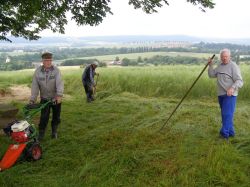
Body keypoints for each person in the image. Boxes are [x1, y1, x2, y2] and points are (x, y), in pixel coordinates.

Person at [208, 48, 243, 139]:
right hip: (221, 94)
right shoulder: (220, 66)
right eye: (223, 57)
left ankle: (224, 135)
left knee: (226, 114)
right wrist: (210, 65)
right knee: (226, 114)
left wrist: (232, 88)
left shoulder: (233, 66)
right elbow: (211, 75)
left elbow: (239, 81)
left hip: (230, 95)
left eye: (226, 56)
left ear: (230, 56)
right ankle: (231, 132)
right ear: (220, 57)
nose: (224, 58)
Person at [29, 51, 64, 140]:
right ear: (43, 61)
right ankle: (41, 133)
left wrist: (59, 96)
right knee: (44, 117)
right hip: (44, 98)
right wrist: (32, 99)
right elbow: (35, 86)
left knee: (56, 116)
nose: (48, 62)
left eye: (50, 60)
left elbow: (60, 83)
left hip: (55, 98)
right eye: (46, 60)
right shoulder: (38, 71)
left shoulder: (56, 71)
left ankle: (54, 132)